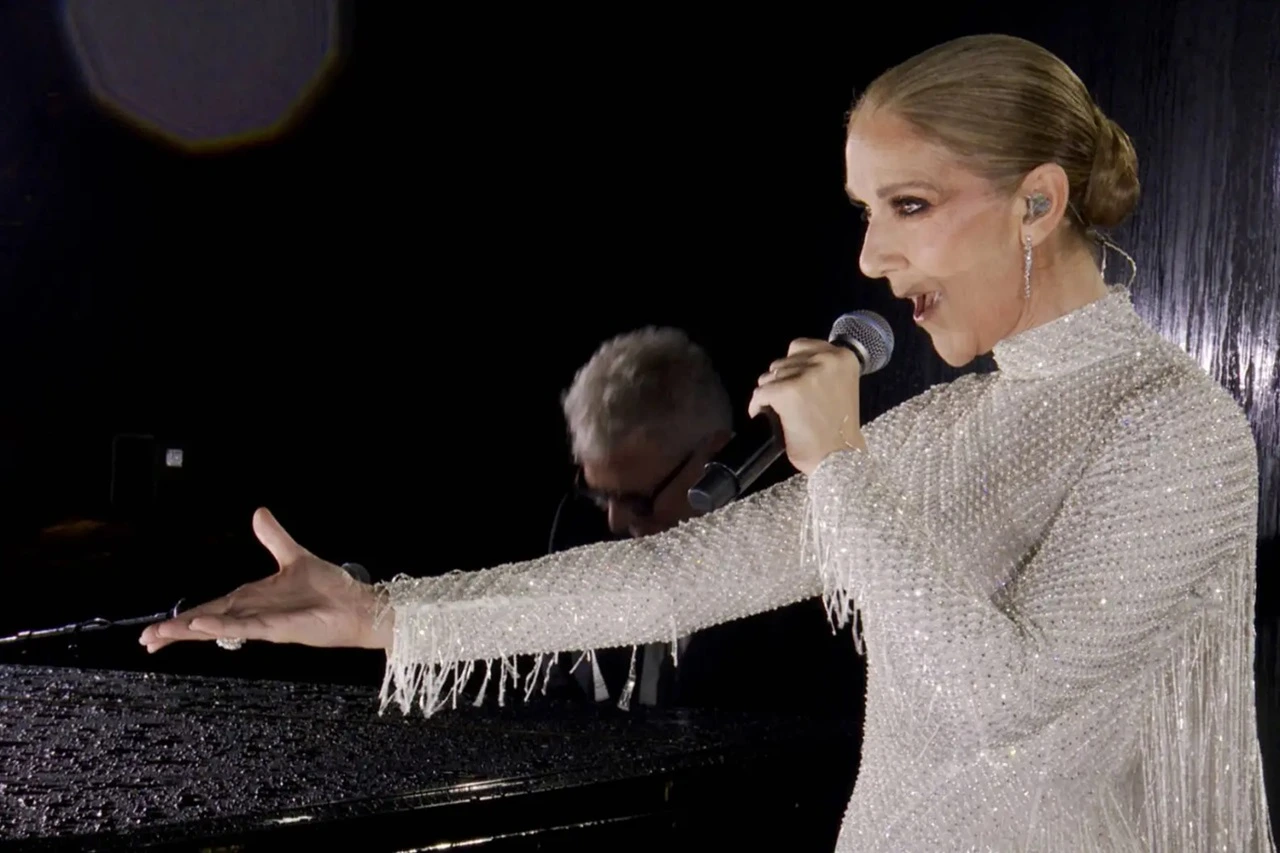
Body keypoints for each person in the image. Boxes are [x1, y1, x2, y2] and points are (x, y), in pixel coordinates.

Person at [140, 34, 1275, 851]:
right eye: (864, 212)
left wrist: (840, 464)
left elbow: (1005, 700)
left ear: (1037, 203)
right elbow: (673, 576)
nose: (870, 258)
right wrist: (380, 613)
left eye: (910, 206)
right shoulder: (945, 427)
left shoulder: (1172, 427)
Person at [545, 326, 860, 713]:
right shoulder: (578, 526)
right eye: (600, 495)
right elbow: (557, 695)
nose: (614, 521)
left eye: (638, 501)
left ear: (715, 455)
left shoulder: (801, 576)